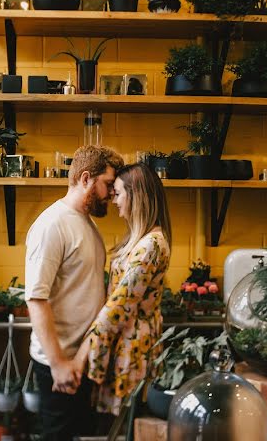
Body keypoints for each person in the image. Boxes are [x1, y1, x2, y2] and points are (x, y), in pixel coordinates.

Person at [24, 145, 124, 441]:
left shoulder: (87, 223)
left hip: (81, 361)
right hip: (59, 364)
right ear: (85, 179)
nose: (112, 194)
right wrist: (58, 364)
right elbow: (36, 298)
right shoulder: (52, 225)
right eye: (107, 184)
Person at [76, 162, 172, 416]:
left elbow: (121, 304)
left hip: (133, 348)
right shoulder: (140, 239)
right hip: (124, 341)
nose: (113, 199)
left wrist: (85, 350)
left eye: (118, 193)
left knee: (125, 425)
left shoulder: (151, 244)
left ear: (137, 195)